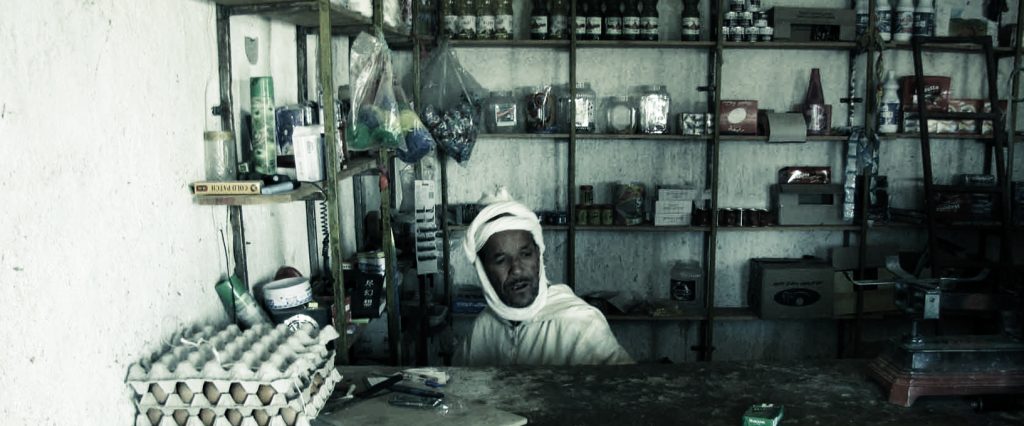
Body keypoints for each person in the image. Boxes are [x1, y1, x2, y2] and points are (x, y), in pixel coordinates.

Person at [455, 189, 634, 366]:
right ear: (483, 270)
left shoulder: (580, 324)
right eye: (501, 260)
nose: (516, 269)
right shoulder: (482, 328)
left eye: (525, 254)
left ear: (539, 255)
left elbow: (624, 382)